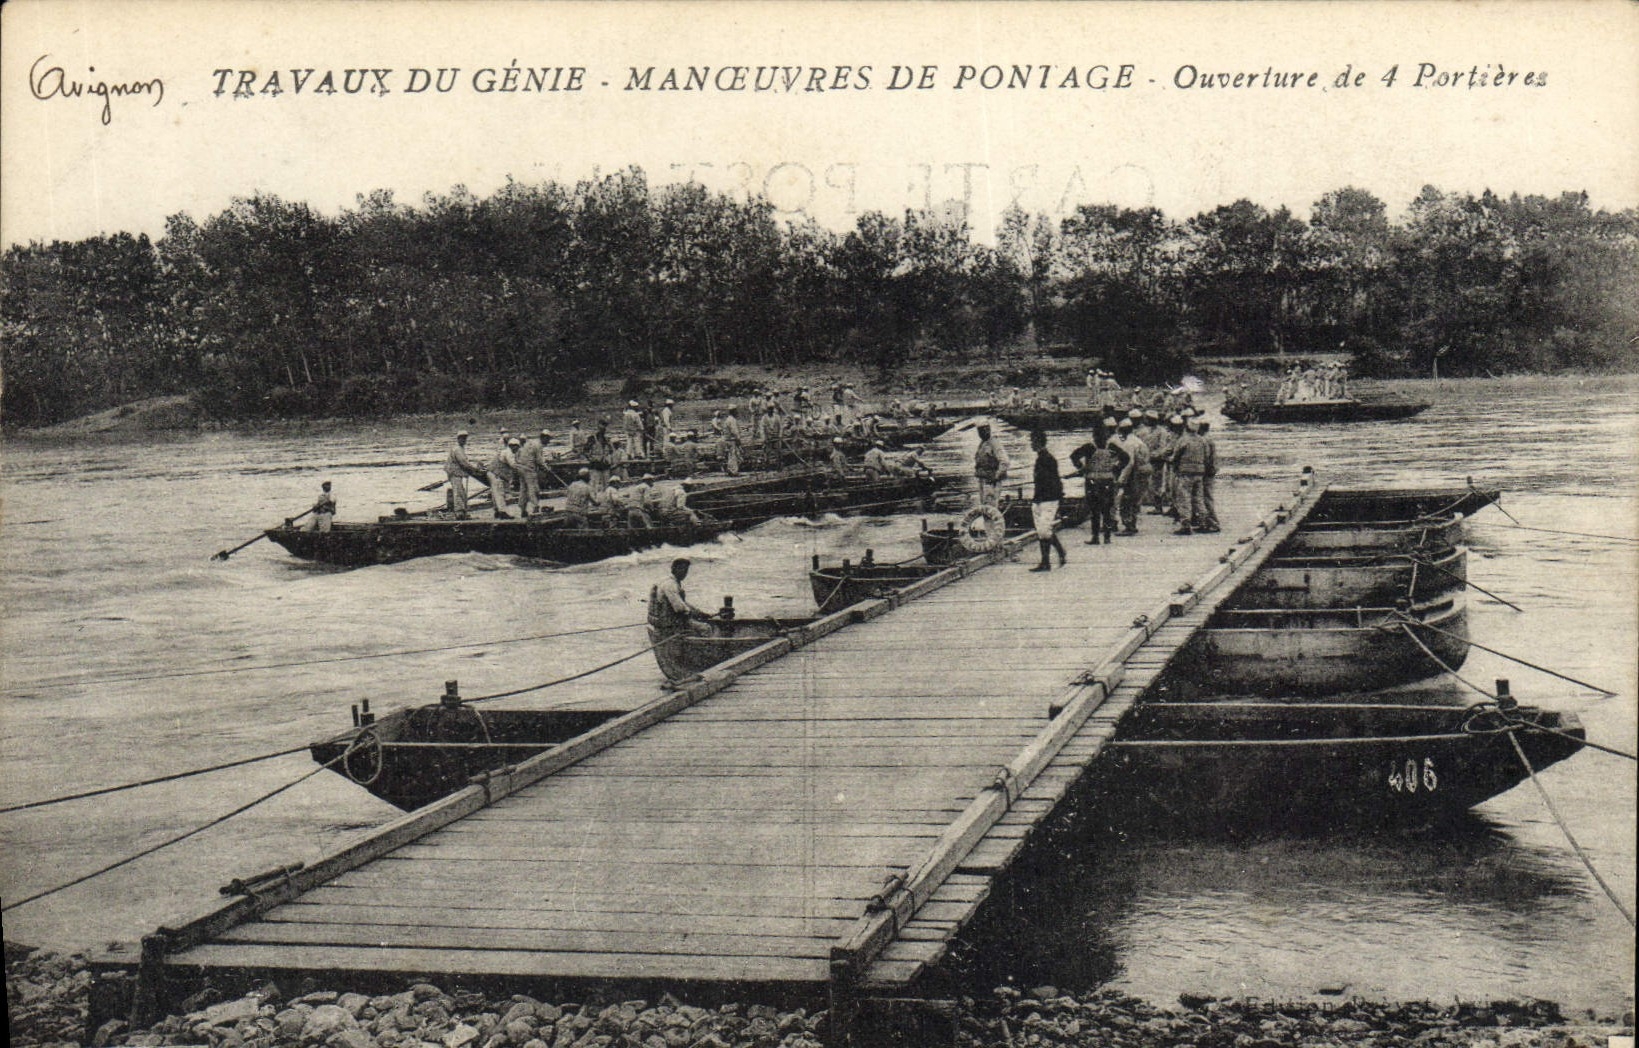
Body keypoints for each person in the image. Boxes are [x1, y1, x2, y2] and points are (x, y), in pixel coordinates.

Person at [1069, 424, 1119, 544]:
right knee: (1107, 509)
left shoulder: (1089, 447)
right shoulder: (1111, 446)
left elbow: (1073, 456)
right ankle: (1107, 537)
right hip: (1108, 480)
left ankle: (1095, 537)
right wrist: (1115, 468)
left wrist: (1081, 467)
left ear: (1094, 435)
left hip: (1092, 480)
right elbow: (1125, 458)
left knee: (1095, 510)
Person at [1028, 431, 1067, 572]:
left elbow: (1055, 480)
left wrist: (1059, 497)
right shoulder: (1042, 459)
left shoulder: (1047, 459)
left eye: (1032, 441)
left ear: (1038, 442)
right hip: (1040, 498)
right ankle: (1046, 561)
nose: (1031, 444)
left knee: (1044, 530)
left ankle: (1060, 552)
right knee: (1042, 531)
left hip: (1048, 499)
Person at [649, 558, 715, 637]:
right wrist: (693, 614)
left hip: (666, 620)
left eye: (686, 570)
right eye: (681, 569)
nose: (684, 573)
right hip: (671, 623)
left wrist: (701, 613)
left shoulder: (667, 581)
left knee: (699, 621)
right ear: (674, 569)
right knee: (706, 628)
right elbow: (679, 608)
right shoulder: (671, 585)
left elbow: (683, 603)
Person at [1113, 418, 1150, 535]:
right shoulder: (1138, 441)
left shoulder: (1129, 443)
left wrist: (1121, 479)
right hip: (1144, 470)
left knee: (1126, 500)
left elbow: (1129, 463)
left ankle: (1129, 526)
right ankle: (1132, 524)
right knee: (1135, 500)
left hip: (1135, 473)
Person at [1173, 418, 1209, 535]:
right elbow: (1207, 456)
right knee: (1199, 498)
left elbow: (1176, 455)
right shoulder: (1203, 440)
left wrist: (1175, 467)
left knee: (1184, 498)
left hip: (1185, 472)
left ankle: (1186, 525)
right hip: (1199, 472)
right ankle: (1203, 522)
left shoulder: (1183, 440)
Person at [973, 423, 1009, 508]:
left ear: (989, 429)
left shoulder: (994, 443)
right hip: (983, 481)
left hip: (991, 483)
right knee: (985, 508)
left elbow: (1005, 461)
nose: (982, 433)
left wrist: (996, 476)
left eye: (985, 429)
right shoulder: (983, 443)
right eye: (980, 431)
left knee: (990, 508)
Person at [444, 430, 478, 518]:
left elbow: (465, 462)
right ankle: (459, 513)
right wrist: (474, 469)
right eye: (462, 438)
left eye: (465, 438)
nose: (464, 440)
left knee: (461, 492)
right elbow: (464, 462)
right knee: (458, 492)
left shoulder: (460, 448)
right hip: (454, 473)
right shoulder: (457, 449)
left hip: (457, 473)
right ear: (458, 439)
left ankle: (462, 510)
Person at [1197, 419, 1221, 533]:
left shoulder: (1204, 440)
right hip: (1210, 470)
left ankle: (1212, 523)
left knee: (1206, 497)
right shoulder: (1208, 438)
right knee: (1206, 497)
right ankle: (1208, 522)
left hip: (1206, 472)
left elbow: (1206, 457)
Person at [517, 430, 546, 515]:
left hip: (521, 469)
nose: (548, 442)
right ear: (543, 438)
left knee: (523, 489)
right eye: (548, 439)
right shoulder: (537, 445)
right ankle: (535, 506)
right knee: (533, 489)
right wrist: (546, 468)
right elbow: (539, 460)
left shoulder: (525, 446)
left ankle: (522, 508)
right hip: (529, 470)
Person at [584, 420, 614, 496]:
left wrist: (608, 458)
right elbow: (585, 451)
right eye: (602, 427)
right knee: (594, 483)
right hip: (595, 464)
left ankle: (606, 498)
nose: (603, 429)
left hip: (605, 464)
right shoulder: (592, 438)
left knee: (607, 483)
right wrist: (591, 459)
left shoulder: (607, 440)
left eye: (605, 427)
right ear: (598, 427)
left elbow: (611, 451)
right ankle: (593, 499)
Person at [722, 407, 744, 475]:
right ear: (733, 411)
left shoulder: (727, 419)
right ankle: (733, 471)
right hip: (732, 440)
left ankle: (730, 469)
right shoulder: (732, 420)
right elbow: (734, 431)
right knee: (733, 456)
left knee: (730, 455)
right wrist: (738, 439)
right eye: (736, 411)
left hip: (727, 440)